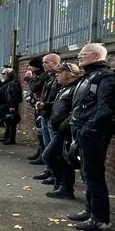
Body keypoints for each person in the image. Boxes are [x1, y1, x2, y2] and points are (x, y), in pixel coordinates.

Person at [68, 43, 115, 231]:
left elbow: (105, 109)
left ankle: (100, 218)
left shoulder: (106, 78)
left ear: (96, 56)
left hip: (94, 135)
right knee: (87, 174)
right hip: (86, 133)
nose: (79, 57)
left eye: (83, 54)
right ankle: (90, 210)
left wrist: (87, 130)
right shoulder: (91, 76)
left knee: (94, 175)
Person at [42, 62, 84, 200]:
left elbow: (76, 111)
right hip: (59, 129)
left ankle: (61, 184)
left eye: (59, 72)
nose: (56, 75)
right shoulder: (65, 88)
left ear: (68, 73)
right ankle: (64, 187)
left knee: (49, 155)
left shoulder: (76, 88)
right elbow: (59, 106)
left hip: (65, 131)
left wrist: (64, 127)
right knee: (62, 159)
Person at [0, 66, 22, 144]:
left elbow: (14, 95)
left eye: (4, 73)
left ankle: (11, 138)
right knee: (7, 122)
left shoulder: (14, 83)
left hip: (9, 105)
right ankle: (6, 137)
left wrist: (12, 106)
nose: (2, 75)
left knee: (11, 121)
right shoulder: (7, 82)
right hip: (4, 104)